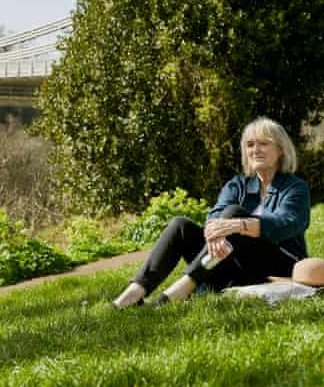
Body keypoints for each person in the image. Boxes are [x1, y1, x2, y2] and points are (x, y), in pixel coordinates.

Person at [112, 117, 311, 308]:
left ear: (281, 150)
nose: (255, 150)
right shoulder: (237, 185)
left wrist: (238, 225)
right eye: (250, 145)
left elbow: (287, 223)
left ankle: (182, 288)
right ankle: (135, 291)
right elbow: (214, 217)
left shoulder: (295, 187)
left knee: (233, 213)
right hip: (229, 265)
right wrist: (219, 231)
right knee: (180, 225)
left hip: (278, 266)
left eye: (263, 144)